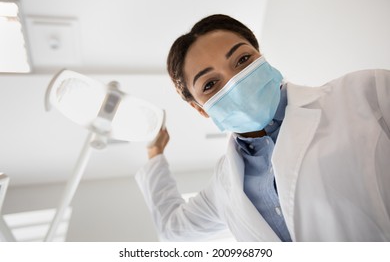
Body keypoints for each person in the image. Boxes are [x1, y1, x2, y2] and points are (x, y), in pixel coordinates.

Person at [135, 14, 390, 242]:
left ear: (262, 58)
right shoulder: (224, 188)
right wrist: (154, 154)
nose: (234, 82)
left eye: (243, 59)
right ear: (201, 109)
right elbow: (173, 229)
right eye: (211, 83)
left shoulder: (367, 93)